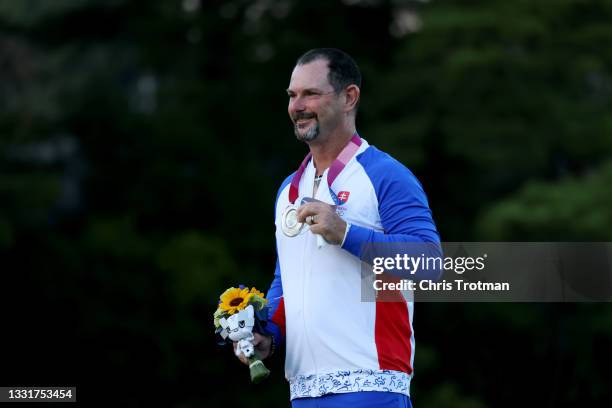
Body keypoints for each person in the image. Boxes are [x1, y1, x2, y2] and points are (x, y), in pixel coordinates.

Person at [235, 48, 440, 408]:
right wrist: (270, 334)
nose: (297, 105)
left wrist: (346, 234)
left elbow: (431, 264)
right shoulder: (288, 191)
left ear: (349, 98)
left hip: (371, 386)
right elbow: (289, 282)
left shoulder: (385, 175)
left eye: (311, 93)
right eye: (292, 95)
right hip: (303, 392)